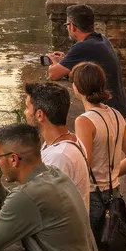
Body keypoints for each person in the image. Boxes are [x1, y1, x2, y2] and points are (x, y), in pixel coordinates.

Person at [72, 62, 126, 251]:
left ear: (78, 88)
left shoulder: (84, 121)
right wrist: (111, 175)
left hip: (93, 197)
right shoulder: (115, 115)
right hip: (114, 195)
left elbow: (84, 163)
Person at [48, 3, 126, 118]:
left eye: (67, 24)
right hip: (120, 107)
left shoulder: (83, 47)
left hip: (109, 113)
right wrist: (65, 60)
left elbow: (53, 74)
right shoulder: (102, 39)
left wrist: (55, 62)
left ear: (72, 26)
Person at [23, 80, 90, 211]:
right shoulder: (70, 140)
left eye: (27, 107)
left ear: (40, 115)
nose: (25, 112)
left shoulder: (58, 156)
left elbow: (45, 207)